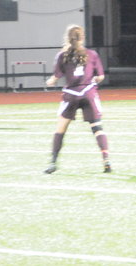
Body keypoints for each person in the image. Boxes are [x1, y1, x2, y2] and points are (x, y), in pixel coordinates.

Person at [44, 25, 110, 174]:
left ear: (67, 38)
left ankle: (53, 163)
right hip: (88, 93)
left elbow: (56, 77)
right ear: (83, 38)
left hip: (71, 95)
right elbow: (100, 76)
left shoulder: (62, 55)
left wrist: (50, 81)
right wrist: (94, 79)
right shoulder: (92, 54)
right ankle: (106, 160)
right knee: (97, 128)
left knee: (60, 130)